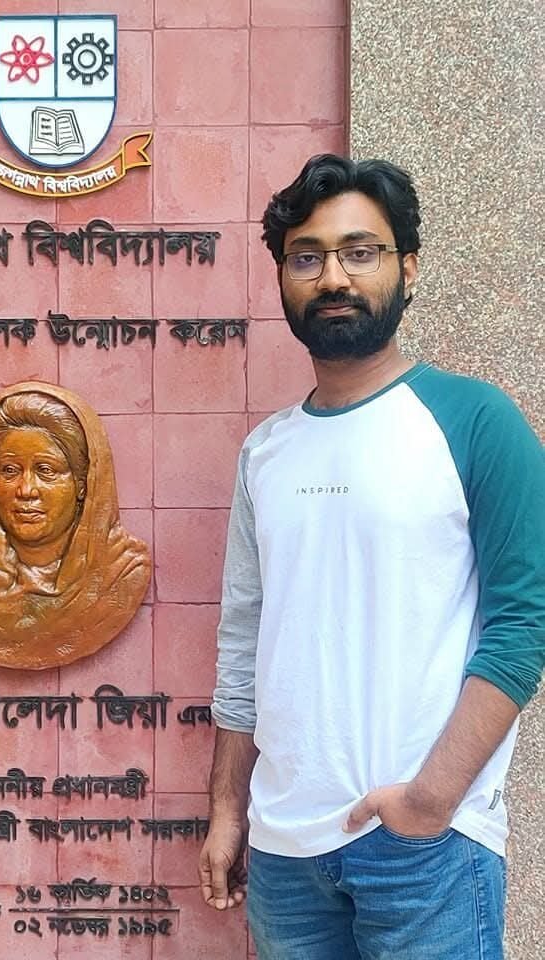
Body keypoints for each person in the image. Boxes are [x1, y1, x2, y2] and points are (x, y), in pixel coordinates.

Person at [198, 154, 545, 959]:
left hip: (426, 850)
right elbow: (245, 642)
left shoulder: (476, 421)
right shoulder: (265, 453)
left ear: (407, 268)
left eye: (360, 252)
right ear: (283, 279)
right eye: (307, 257)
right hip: (285, 854)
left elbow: (523, 625)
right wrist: (228, 809)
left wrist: (432, 799)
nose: (333, 277)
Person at [0, 381, 150, 670]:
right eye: (9, 470)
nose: (26, 490)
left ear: (82, 484)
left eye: (46, 470)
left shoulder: (119, 572)